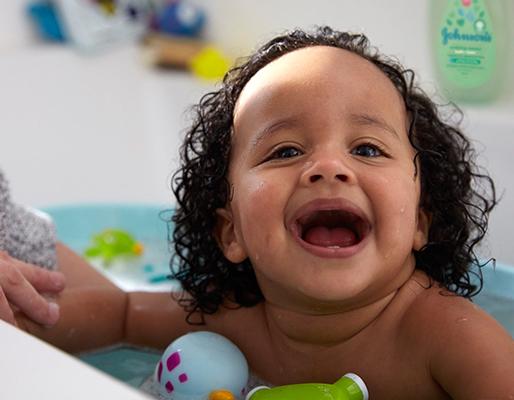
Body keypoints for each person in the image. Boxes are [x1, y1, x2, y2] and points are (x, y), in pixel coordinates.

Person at [3, 27, 514, 399]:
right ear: (231, 231)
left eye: (367, 149)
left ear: (421, 220)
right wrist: (17, 327)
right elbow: (121, 313)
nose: (329, 167)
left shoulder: (451, 340)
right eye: (286, 151)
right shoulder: (235, 319)